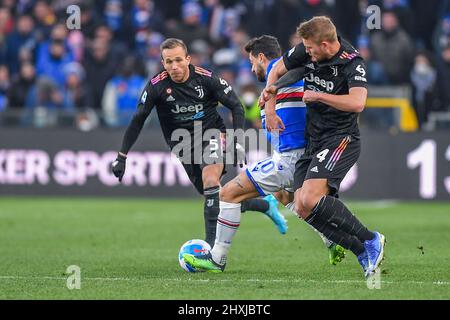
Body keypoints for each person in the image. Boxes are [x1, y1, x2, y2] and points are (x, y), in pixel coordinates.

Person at [183, 35, 346, 273]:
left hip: (290, 159)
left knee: (227, 194)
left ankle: (217, 257)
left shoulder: (280, 75)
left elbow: (302, 73)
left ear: (262, 57)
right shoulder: (283, 81)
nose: (251, 68)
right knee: (286, 198)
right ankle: (331, 238)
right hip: (297, 157)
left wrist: (275, 92)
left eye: (252, 62)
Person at [111, 38, 286, 247]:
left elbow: (236, 106)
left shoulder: (206, 79)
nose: (174, 67)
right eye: (168, 62)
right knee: (217, 198)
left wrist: (237, 141)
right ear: (163, 63)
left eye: (178, 60)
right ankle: (265, 206)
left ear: (188, 59)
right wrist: (122, 156)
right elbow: (138, 119)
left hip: (212, 135)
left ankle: (210, 250)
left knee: (211, 180)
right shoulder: (156, 86)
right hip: (182, 145)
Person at [260, 17, 385, 278]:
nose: (307, 53)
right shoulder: (307, 49)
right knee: (301, 205)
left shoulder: (352, 62)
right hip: (313, 139)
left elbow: (357, 103)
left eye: (311, 48)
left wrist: (318, 96)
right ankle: (360, 251)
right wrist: (270, 103)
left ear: (326, 44)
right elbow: (276, 70)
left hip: (341, 137)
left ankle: (371, 238)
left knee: (310, 198)